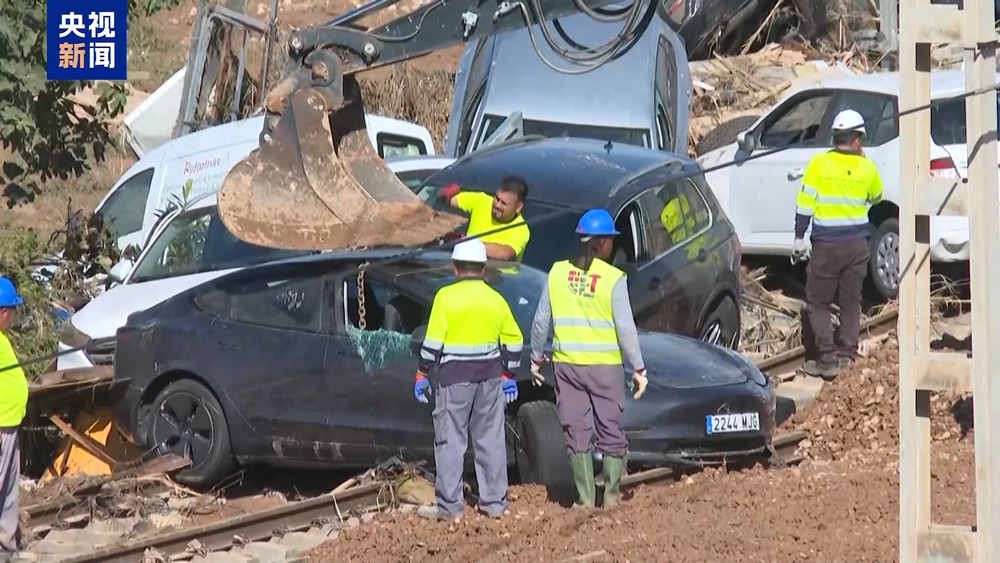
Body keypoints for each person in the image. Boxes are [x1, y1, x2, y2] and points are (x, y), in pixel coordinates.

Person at [527, 209, 648, 510]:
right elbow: (625, 327)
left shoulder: (557, 272)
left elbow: (542, 319)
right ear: (602, 243)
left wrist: (536, 356)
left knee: (576, 430)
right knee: (609, 427)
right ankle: (611, 497)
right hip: (605, 368)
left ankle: (584, 498)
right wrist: (639, 367)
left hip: (567, 366)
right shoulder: (612, 278)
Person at [413, 238, 524, 521]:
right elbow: (514, 340)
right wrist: (509, 375)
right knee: (490, 439)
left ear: (455, 267)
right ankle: (494, 504)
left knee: (451, 441)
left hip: (454, 380)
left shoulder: (445, 298)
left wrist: (422, 373)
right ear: (484, 268)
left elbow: (433, 343)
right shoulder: (495, 299)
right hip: (489, 379)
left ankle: (450, 508)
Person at [792, 109, 884, 380]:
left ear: (836, 136)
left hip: (826, 247)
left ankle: (827, 358)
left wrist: (799, 237)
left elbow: (805, 204)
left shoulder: (819, 164)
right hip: (857, 245)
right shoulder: (867, 167)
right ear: (858, 139)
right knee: (850, 301)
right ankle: (847, 355)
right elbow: (877, 197)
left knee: (818, 302)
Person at [438, 176, 531, 262]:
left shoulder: (521, 230)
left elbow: (505, 254)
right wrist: (445, 194)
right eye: (497, 198)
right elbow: (446, 199)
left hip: (499, 278)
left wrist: (464, 242)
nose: (497, 205)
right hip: (465, 269)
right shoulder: (482, 201)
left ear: (518, 207)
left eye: (504, 203)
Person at [0, 277, 26, 560]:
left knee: (8, 494)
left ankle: (6, 549)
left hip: (9, 426)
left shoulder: (2, 340)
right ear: (3, 311)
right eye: (11, 311)